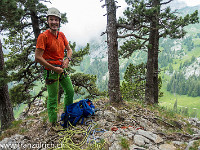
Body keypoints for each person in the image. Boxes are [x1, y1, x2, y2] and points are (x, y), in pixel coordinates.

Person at [35, 7, 74, 126]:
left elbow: (69, 50)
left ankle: (67, 115)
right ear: (47, 21)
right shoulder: (44, 36)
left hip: (61, 68)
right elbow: (38, 57)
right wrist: (53, 68)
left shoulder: (61, 35)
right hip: (51, 70)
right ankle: (53, 123)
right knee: (53, 98)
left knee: (70, 91)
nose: (54, 22)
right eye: (51, 19)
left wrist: (67, 59)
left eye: (56, 20)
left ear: (59, 21)